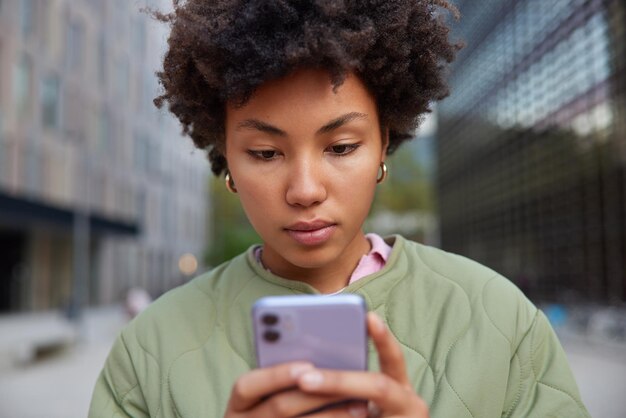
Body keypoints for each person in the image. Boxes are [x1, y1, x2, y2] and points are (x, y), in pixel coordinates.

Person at [89, 1, 590, 417]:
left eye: (342, 146)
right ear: (227, 162)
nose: (305, 190)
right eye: (265, 153)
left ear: (383, 144)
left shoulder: (502, 320)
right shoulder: (147, 353)